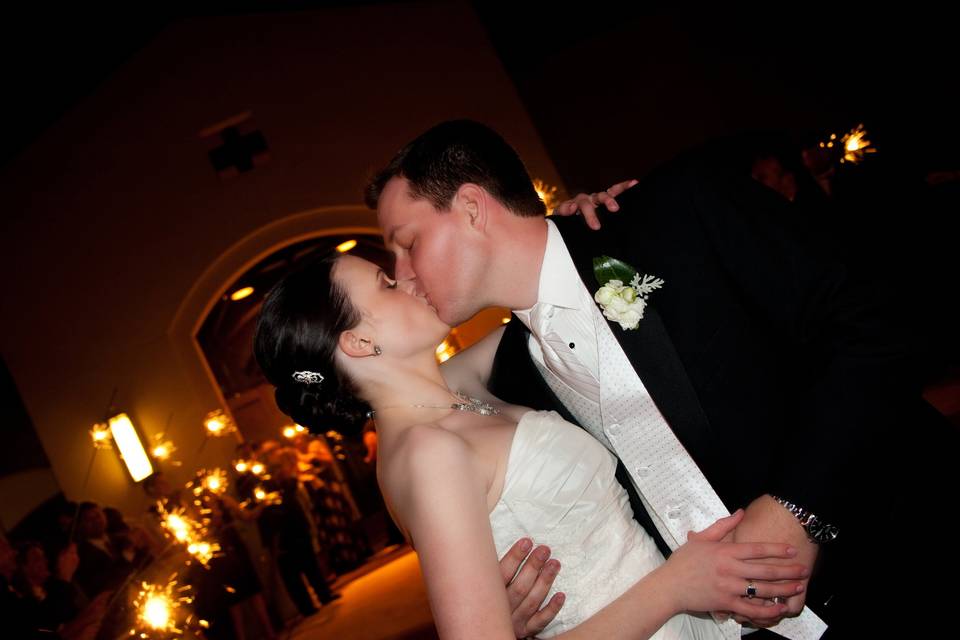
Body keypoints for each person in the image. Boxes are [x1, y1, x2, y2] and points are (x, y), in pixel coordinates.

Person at [362, 120, 959, 638]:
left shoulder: (675, 214)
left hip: (905, 556)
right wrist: (506, 618)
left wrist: (799, 509)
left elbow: (877, 325)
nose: (404, 273)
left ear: (471, 207)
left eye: (408, 244)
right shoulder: (513, 379)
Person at [253, 251, 807, 639]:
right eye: (387, 284)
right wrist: (676, 586)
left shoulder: (449, 390)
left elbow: (550, 302)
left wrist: (567, 225)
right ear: (360, 340)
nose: (412, 280)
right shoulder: (426, 453)